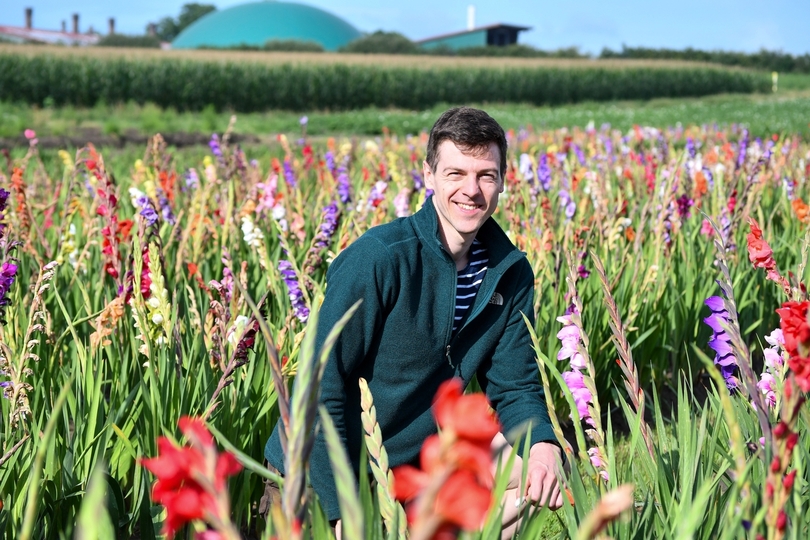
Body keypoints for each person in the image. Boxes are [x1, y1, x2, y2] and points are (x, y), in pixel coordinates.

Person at [264, 107, 563, 537]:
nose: (471, 190)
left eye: (486, 175)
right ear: (429, 175)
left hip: (414, 470)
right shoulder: (381, 258)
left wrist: (543, 446)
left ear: (502, 180)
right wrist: (343, 511)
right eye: (456, 173)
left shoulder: (509, 273)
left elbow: (516, 386)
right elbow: (319, 385)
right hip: (320, 475)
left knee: (536, 469)